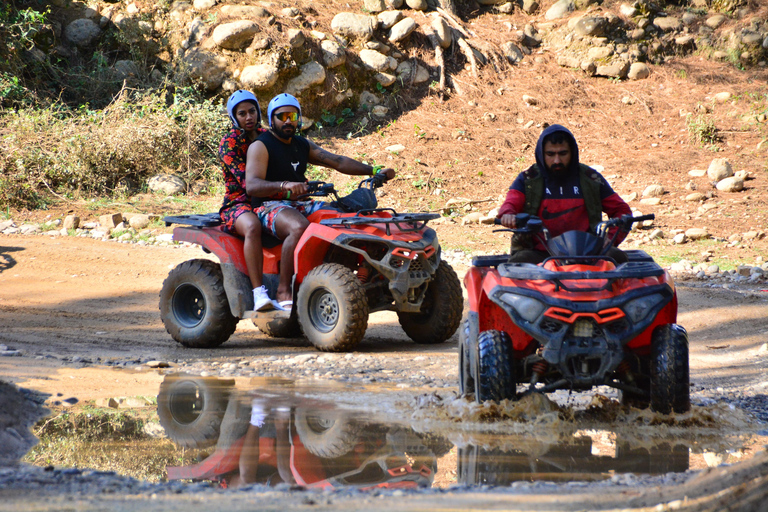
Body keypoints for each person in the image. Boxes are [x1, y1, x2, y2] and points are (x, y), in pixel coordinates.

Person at [244, 93, 396, 310]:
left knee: (342, 217)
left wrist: (373, 170)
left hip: (300, 204)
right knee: (298, 227)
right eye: (282, 116)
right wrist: (284, 186)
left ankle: (344, 273)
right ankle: (283, 288)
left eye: (293, 115)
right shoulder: (261, 145)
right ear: (271, 120)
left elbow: (337, 161)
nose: (288, 121)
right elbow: (252, 186)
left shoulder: (301, 144)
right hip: (268, 206)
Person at [498, 124, 632, 264]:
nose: (557, 160)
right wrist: (508, 214)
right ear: (541, 154)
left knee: (617, 257)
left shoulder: (590, 179)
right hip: (541, 252)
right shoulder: (528, 179)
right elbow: (511, 202)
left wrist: (610, 238)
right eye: (550, 154)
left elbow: (622, 210)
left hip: (588, 253)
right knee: (519, 262)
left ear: (572, 152)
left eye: (563, 154)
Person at [218, 90, 274, 311]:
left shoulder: (266, 135)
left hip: (267, 197)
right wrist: (281, 186)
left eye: (252, 111)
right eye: (242, 113)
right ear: (234, 117)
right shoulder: (229, 143)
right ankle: (259, 293)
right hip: (238, 203)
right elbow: (247, 181)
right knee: (252, 225)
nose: (248, 117)